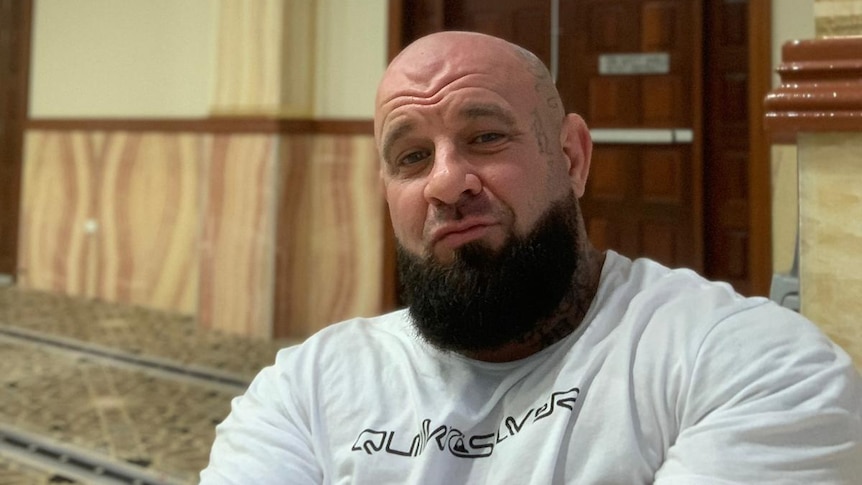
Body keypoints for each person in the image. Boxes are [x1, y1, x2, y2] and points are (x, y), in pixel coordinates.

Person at [200, 31, 862, 484]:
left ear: (572, 158)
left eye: (485, 136)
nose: (445, 182)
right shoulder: (302, 391)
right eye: (411, 156)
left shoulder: (757, 369)